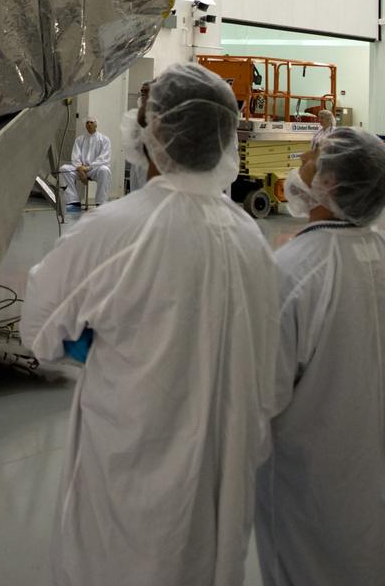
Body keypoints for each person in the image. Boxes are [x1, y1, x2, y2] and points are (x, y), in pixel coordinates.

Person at [21, 62, 278, 586]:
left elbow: (40, 328)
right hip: (220, 484)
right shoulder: (253, 241)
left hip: (132, 473)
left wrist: (83, 345)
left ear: (155, 130)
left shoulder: (116, 230)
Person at [255, 128, 385, 586]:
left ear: (329, 183)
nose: (302, 161)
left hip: (311, 492)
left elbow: (258, 399)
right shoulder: (377, 254)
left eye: (313, 157)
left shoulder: (293, 273)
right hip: (371, 485)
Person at [59, 115, 111, 210]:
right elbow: (75, 157)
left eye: (91, 122)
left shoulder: (104, 140)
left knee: (104, 170)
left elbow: (104, 158)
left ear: (96, 125)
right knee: (63, 169)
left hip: (95, 170)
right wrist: (80, 169)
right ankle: (73, 202)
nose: (89, 124)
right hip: (80, 169)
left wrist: (88, 168)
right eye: (87, 123)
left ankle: (101, 203)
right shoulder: (79, 140)